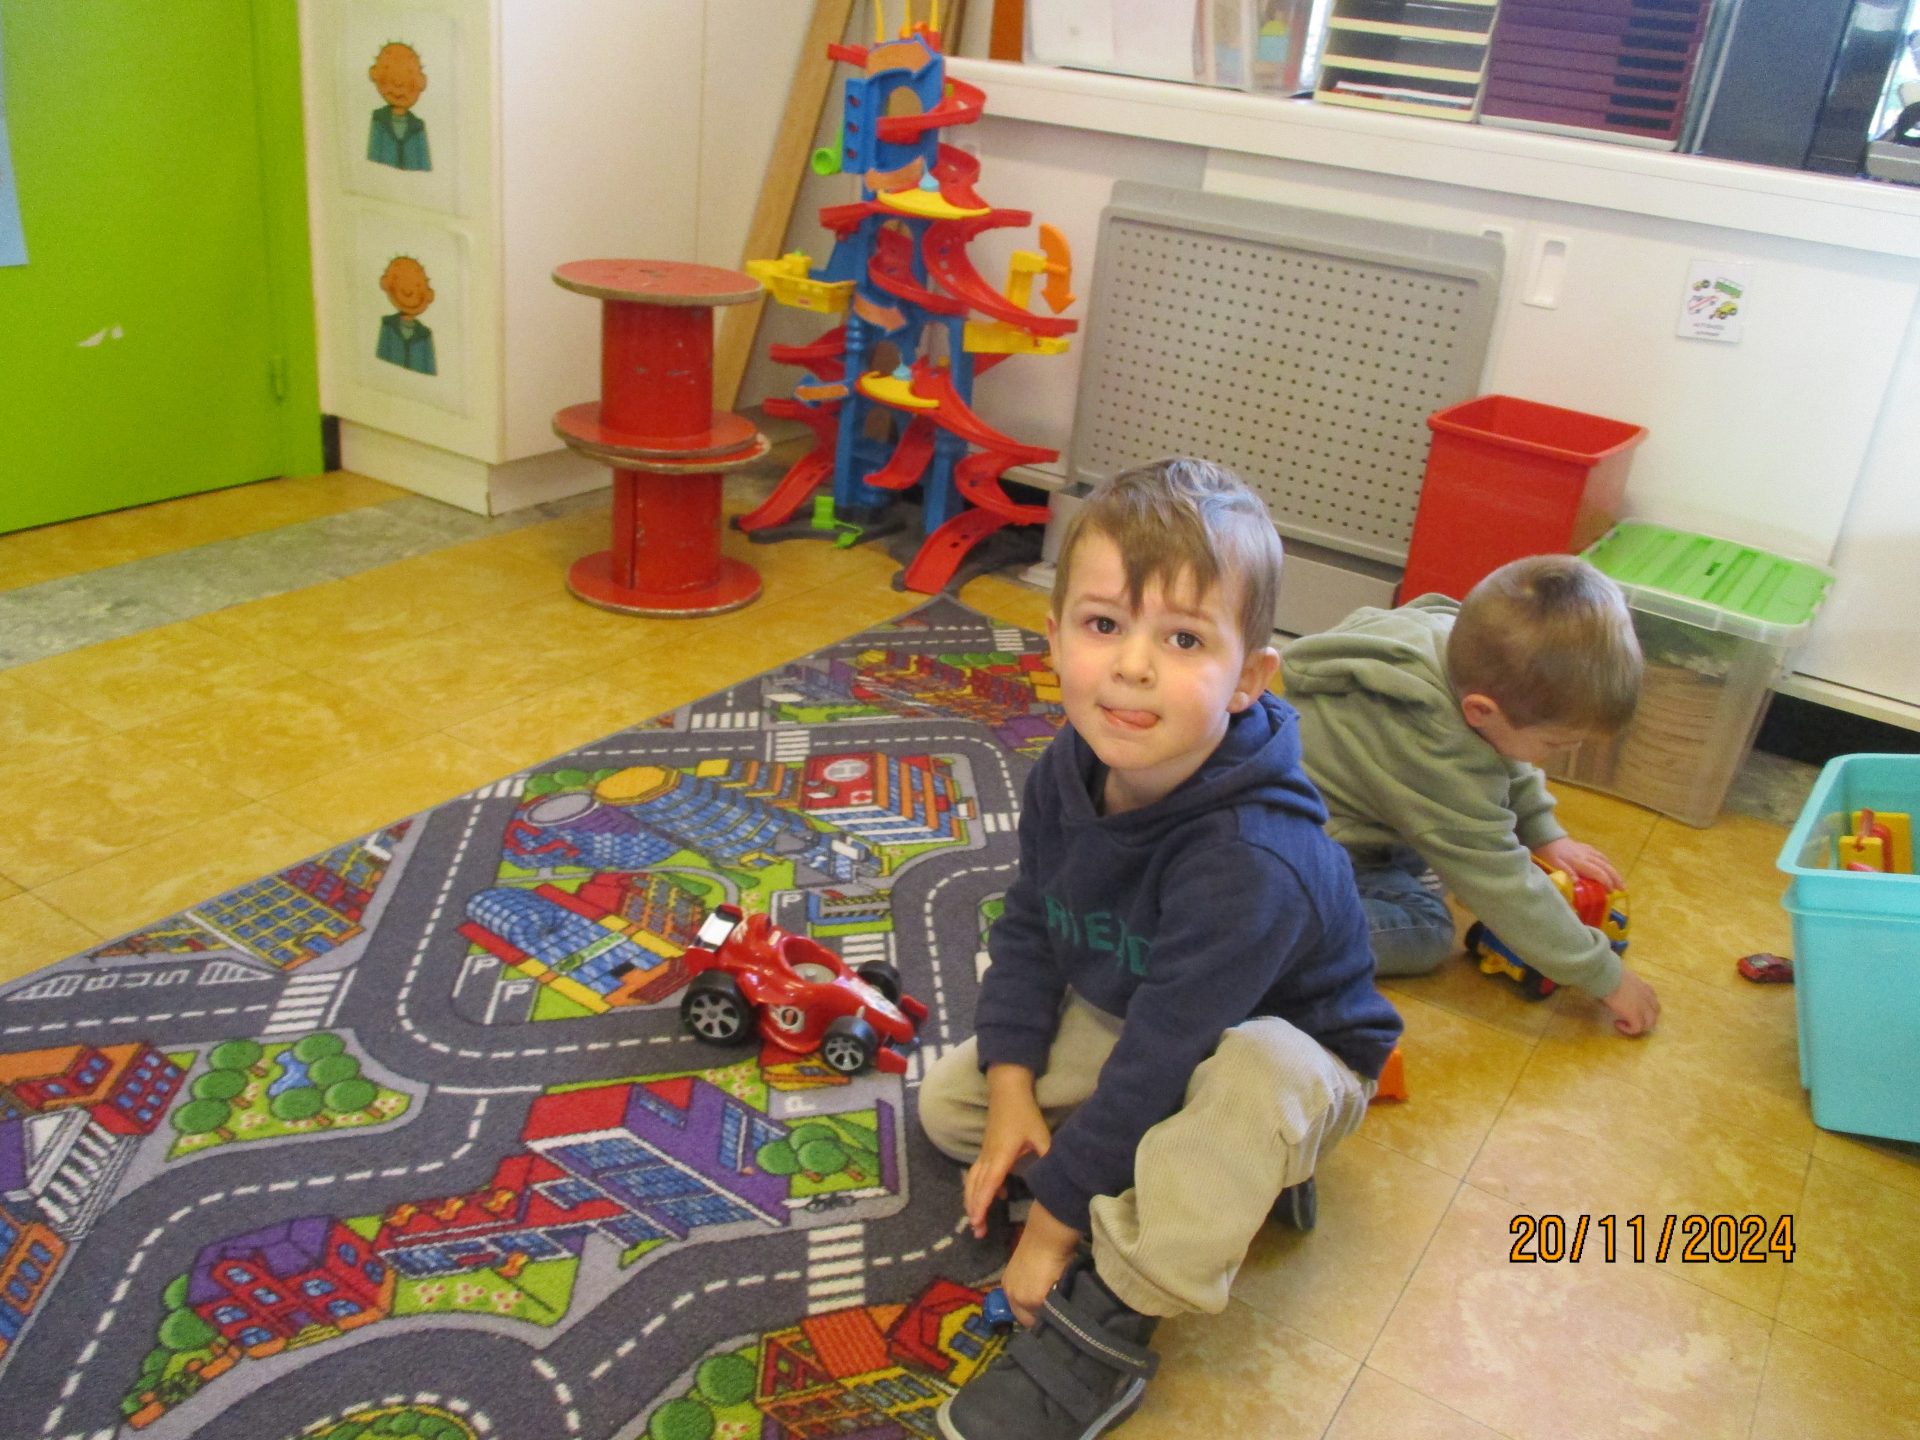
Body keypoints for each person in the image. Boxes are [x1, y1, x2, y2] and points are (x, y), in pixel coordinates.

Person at [920, 459, 1403, 1440]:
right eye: (1104, 624)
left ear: (1249, 679)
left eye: (1183, 639)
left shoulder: (1250, 859)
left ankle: (1115, 1314)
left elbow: (1159, 1058)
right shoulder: (1068, 767)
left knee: (1249, 1077)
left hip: (1284, 1059)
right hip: (1148, 1014)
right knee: (953, 1106)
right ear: (1054, 636)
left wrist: (1050, 1230)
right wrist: (1011, 1086)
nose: (1133, 666)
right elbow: (1031, 925)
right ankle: (1192, 1177)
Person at [1279, 555, 1661, 1037]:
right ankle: (1271, 938)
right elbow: (1500, 880)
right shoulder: (1436, 744)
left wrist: (1544, 833)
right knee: (1428, 930)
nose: (1563, 754)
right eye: (1556, 743)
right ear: (1480, 710)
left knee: (1440, 858)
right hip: (1298, 856)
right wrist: (1603, 974)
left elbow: (1500, 758)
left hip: (1331, 820)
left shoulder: (1459, 646)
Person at [367, 41, 432, 172]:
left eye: (408, 74)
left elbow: (424, 165)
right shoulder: (378, 119)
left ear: (421, 82)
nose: (398, 83)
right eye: (389, 71)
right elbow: (372, 159)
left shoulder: (418, 127)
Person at [375, 256, 437, 375]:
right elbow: (380, 360)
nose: (408, 291)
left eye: (417, 285)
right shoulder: (387, 325)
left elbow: (430, 370)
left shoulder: (425, 335)